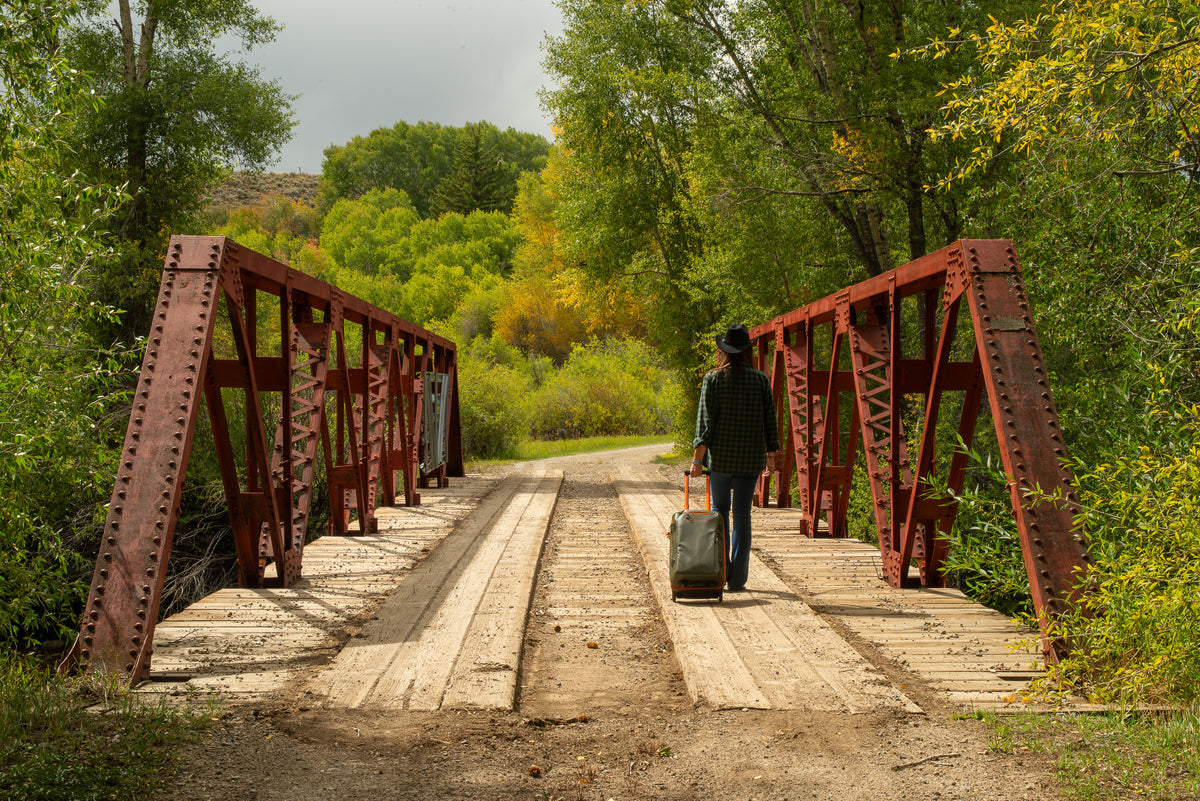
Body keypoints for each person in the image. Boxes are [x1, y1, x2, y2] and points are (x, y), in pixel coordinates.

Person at [690, 323, 780, 592]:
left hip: (721, 460)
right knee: (742, 514)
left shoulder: (713, 379)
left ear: (725, 351)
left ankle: (721, 570)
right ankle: (738, 578)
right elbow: (769, 423)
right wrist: (771, 457)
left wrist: (697, 460)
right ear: (748, 351)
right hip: (750, 460)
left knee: (720, 512)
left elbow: (705, 424)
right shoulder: (761, 380)